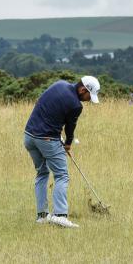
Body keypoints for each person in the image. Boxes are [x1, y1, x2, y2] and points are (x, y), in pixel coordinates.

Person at [23, 76, 100, 228]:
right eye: (88, 97)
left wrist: (57, 134)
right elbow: (70, 128)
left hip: (29, 136)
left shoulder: (59, 84)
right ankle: (60, 215)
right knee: (62, 175)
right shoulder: (76, 105)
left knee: (42, 173)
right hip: (46, 139)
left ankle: (42, 216)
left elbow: (46, 108)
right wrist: (68, 143)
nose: (88, 100)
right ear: (83, 89)